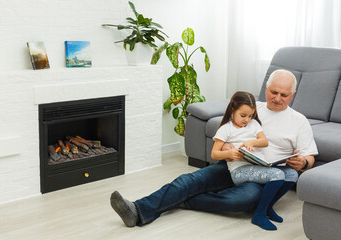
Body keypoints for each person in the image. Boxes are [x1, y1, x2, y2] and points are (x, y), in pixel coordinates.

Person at [110, 69, 318, 228]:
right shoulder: (253, 109)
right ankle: (137, 210)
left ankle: (183, 201)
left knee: (243, 200)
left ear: (292, 95)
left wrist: (303, 162)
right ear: (266, 89)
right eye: (274, 92)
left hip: (266, 175)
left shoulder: (298, 121)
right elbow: (227, 128)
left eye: (284, 94)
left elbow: (309, 158)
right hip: (234, 163)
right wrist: (227, 146)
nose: (278, 98)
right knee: (188, 180)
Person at [211, 90, 298, 230]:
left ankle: (267, 207)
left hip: (258, 165)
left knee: (292, 174)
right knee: (277, 175)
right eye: (243, 115)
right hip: (239, 171)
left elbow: (264, 142)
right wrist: (231, 153)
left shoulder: (254, 124)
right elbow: (214, 154)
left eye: (250, 116)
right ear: (233, 109)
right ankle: (259, 214)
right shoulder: (225, 129)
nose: (246, 119)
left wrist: (252, 142)